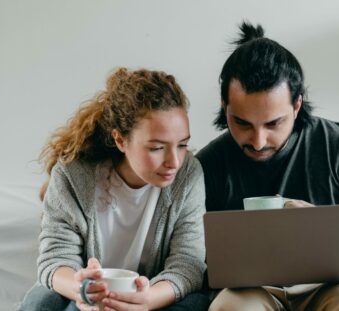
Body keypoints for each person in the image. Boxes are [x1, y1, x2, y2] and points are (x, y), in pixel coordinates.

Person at [196, 22, 339, 311]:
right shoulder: (209, 163)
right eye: (242, 123)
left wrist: (323, 227)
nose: (258, 141)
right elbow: (189, 252)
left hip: (329, 286)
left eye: (273, 123)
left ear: (296, 106)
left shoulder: (338, 145)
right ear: (225, 107)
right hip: (248, 290)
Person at [18, 68, 209, 311]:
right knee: (42, 302)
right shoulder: (73, 174)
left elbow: (188, 264)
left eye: (182, 145)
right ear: (120, 140)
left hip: (155, 293)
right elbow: (55, 258)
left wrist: (146, 300)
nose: (175, 161)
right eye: (157, 148)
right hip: (85, 293)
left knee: (194, 304)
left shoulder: (188, 175)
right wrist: (82, 289)